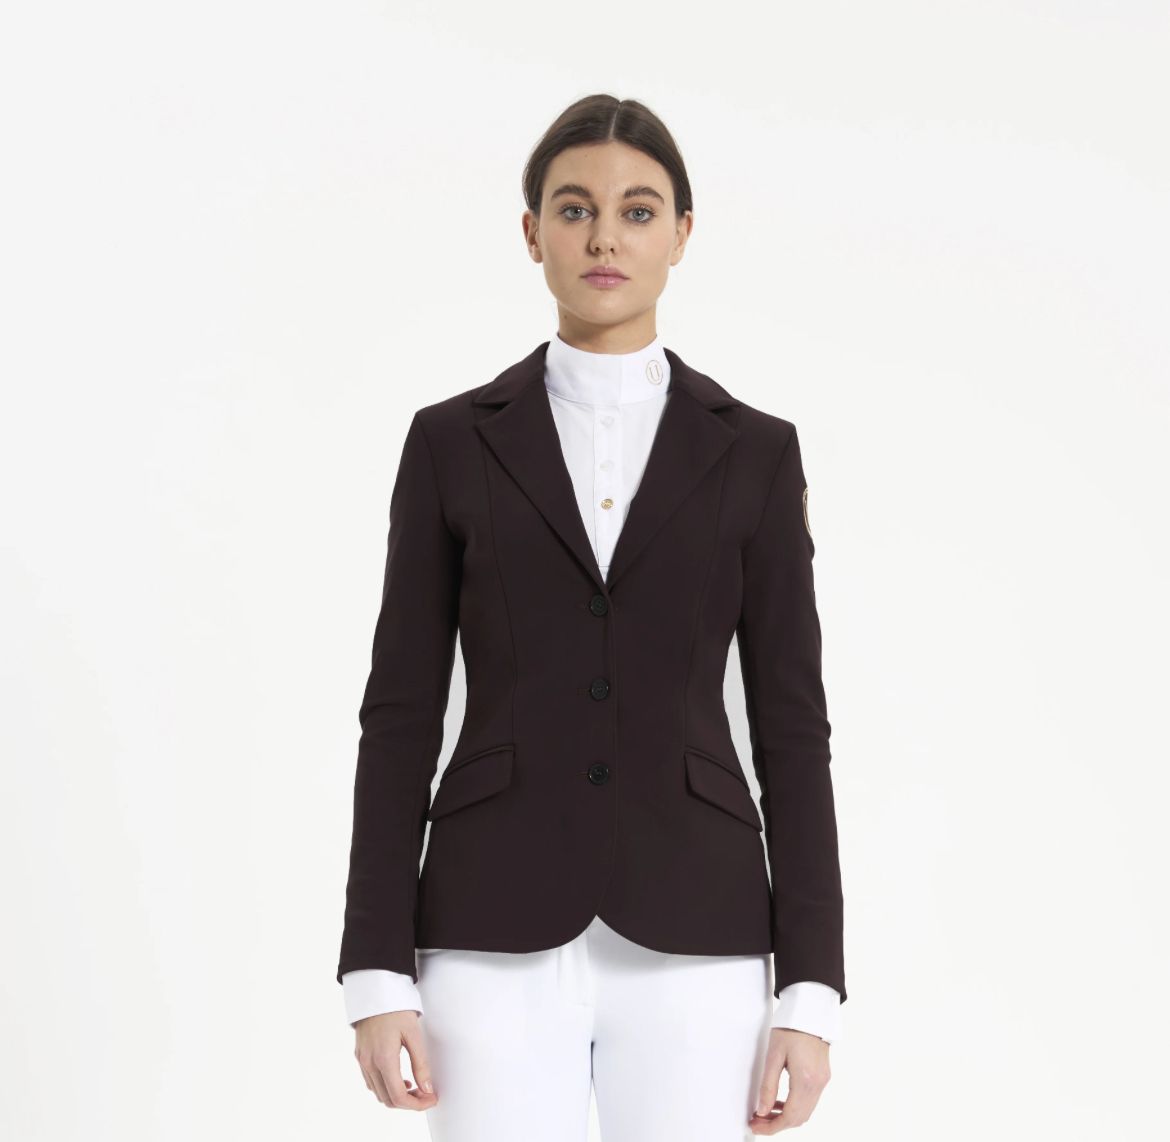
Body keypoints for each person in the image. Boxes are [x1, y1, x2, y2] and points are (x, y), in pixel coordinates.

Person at [337, 94, 847, 1140]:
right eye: (575, 209)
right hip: (487, 927)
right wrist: (376, 970)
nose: (605, 237)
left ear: (682, 234)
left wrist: (811, 990)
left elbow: (793, 730)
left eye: (637, 211)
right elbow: (399, 716)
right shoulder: (449, 443)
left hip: (697, 929)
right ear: (533, 233)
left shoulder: (757, 453)